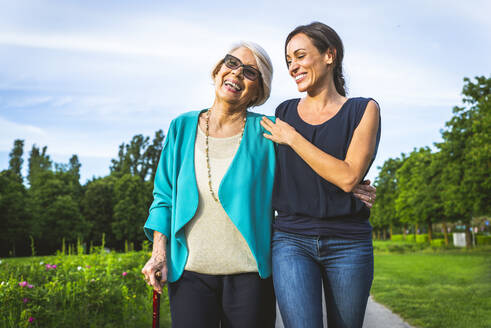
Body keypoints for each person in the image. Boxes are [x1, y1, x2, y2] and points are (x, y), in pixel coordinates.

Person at [141, 40, 376, 328]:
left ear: (259, 90)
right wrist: (159, 253)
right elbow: (163, 196)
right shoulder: (182, 126)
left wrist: (350, 184)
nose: (237, 74)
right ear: (217, 70)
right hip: (189, 274)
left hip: (251, 277)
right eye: (231, 63)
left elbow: (305, 171)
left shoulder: (269, 130)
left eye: (250, 72)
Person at [261, 22, 381, 328]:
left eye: (300, 56)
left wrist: (293, 138)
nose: (293, 66)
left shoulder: (363, 110)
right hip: (290, 240)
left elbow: (347, 178)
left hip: (348, 243)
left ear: (330, 55)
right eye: (288, 60)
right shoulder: (283, 112)